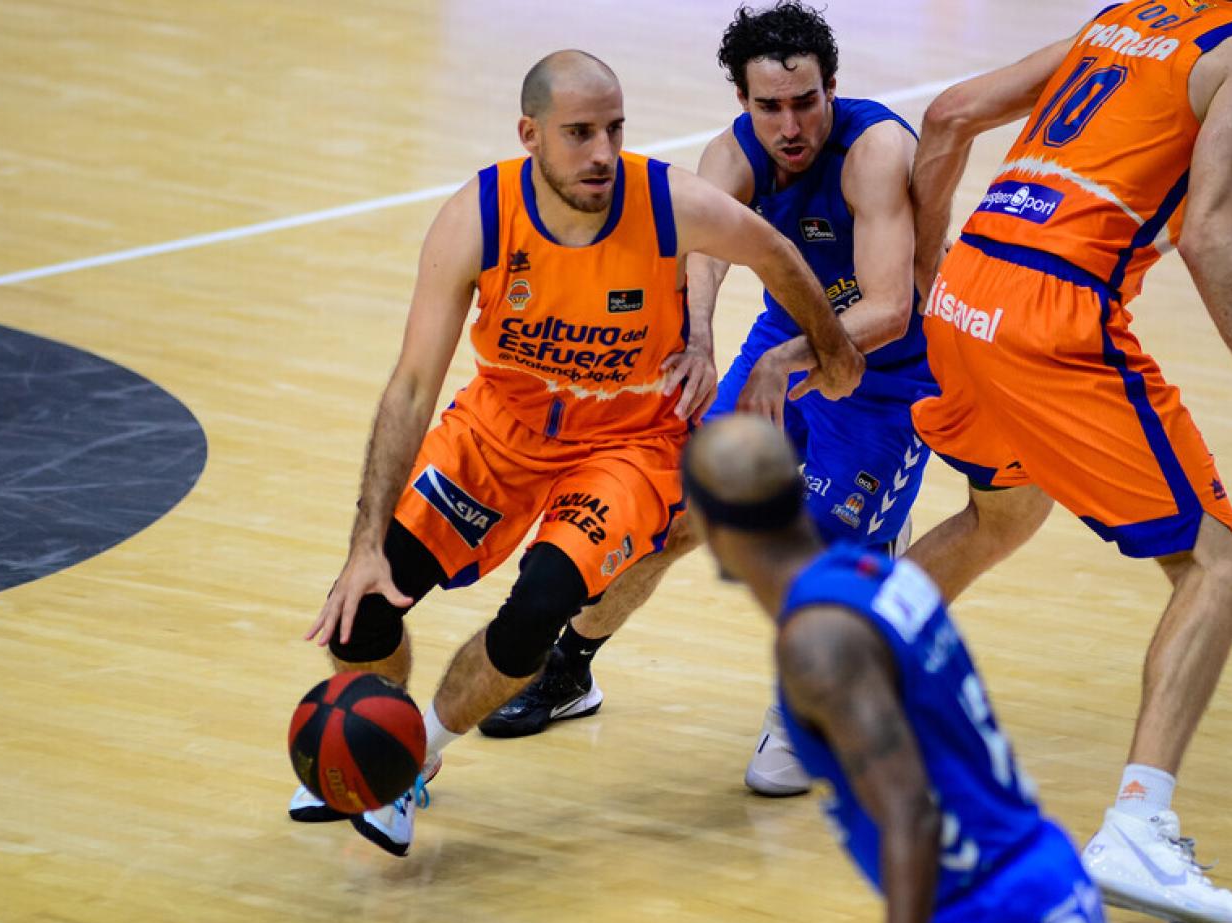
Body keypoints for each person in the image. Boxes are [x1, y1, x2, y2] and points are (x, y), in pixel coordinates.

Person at [290, 49, 864, 856]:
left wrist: (831, 348)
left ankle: (407, 757)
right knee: (365, 609)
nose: (603, 152)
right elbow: (412, 388)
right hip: (500, 430)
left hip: (628, 446)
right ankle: (374, 743)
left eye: (615, 128)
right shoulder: (479, 216)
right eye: (581, 132)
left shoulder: (666, 202)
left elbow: (775, 252)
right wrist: (361, 543)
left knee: (536, 612)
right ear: (531, 136)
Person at [903, 0, 1232, 923]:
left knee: (1003, 516)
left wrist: (925, 276)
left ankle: (829, 684)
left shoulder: (1134, 13)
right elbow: (1208, 237)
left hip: (968, 295)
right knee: (1223, 569)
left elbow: (951, 113)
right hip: (1053, 314)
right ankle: (1139, 830)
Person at [482, 2, 936, 800]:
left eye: (805, 102)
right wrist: (697, 336)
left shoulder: (876, 151)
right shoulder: (731, 156)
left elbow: (891, 305)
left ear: (833, 87)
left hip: (886, 377)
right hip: (783, 341)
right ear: (742, 102)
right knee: (676, 510)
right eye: (769, 106)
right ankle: (570, 668)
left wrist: (794, 359)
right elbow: (696, 253)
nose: (789, 125)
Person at [685, 415, 1108, 923]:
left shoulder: (819, 639)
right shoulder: (875, 574)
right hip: (1049, 885)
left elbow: (913, 815)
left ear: (713, 530)